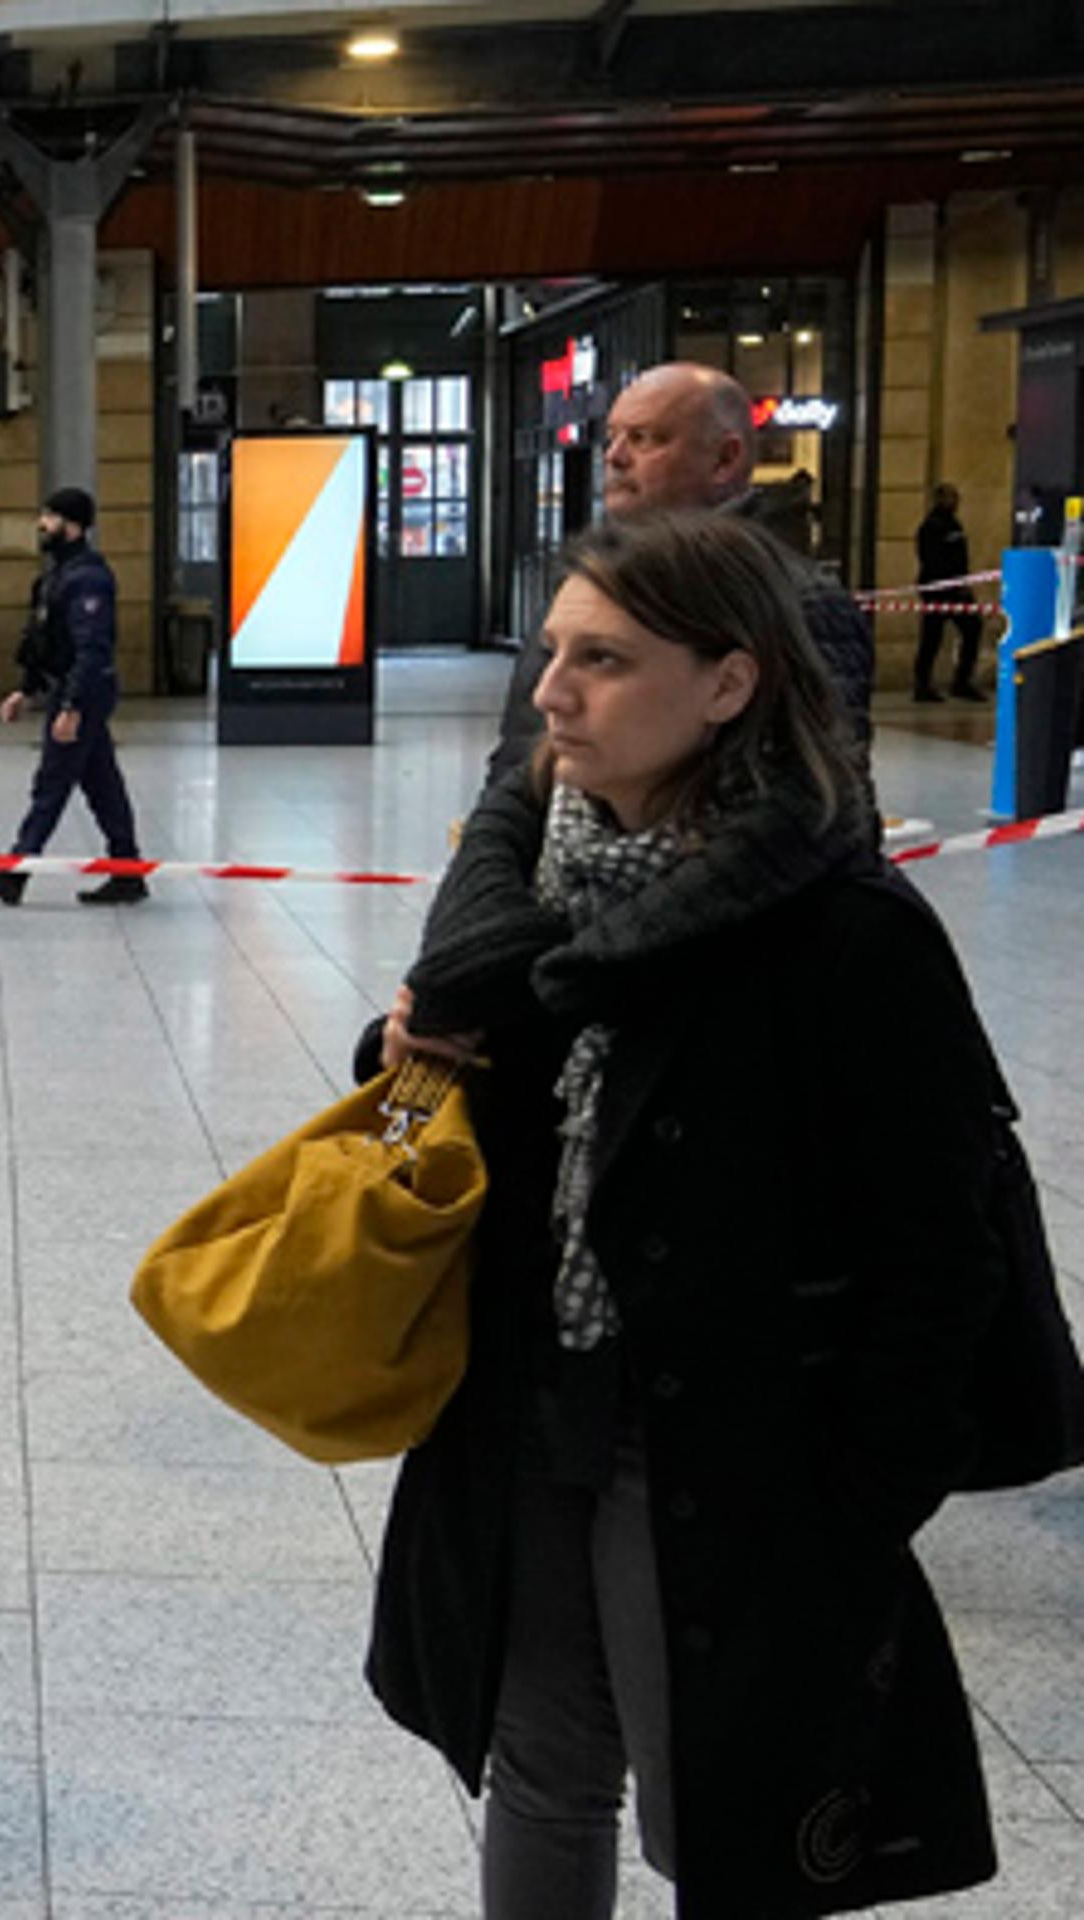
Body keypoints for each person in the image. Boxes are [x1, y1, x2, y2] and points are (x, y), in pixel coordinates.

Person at [370, 511, 1017, 1919]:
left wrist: (859, 1499)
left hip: (731, 1448)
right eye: (551, 654)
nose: (549, 693)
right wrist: (405, 1052)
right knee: (538, 1764)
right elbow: (427, 1134)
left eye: (600, 660)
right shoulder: (519, 897)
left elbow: (939, 1252)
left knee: (718, 1804)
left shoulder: (843, 935)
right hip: (529, 1406)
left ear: (726, 683)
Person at [486, 364, 872, 784]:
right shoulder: (595, 577)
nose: (614, 457)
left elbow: (818, 788)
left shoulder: (797, 600)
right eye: (613, 437)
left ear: (725, 459)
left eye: (643, 438)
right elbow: (526, 759)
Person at [0, 485, 148, 906]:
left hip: (83, 693)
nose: (40, 524)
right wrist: (26, 691)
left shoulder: (89, 579)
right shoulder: (55, 577)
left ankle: (16, 871)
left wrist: (72, 707)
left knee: (52, 782)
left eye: (49, 517)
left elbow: (92, 649)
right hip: (71, 689)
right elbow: (44, 641)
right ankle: (128, 869)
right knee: (102, 785)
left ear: (72, 525)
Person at [914, 482, 986, 703]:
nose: (955, 502)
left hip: (957, 589)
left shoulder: (954, 524)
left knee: (972, 628)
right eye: (950, 498)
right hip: (938, 589)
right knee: (931, 638)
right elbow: (933, 559)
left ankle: (962, 680)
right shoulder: (931, 526)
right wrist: (947, 582)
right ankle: (922, 685)